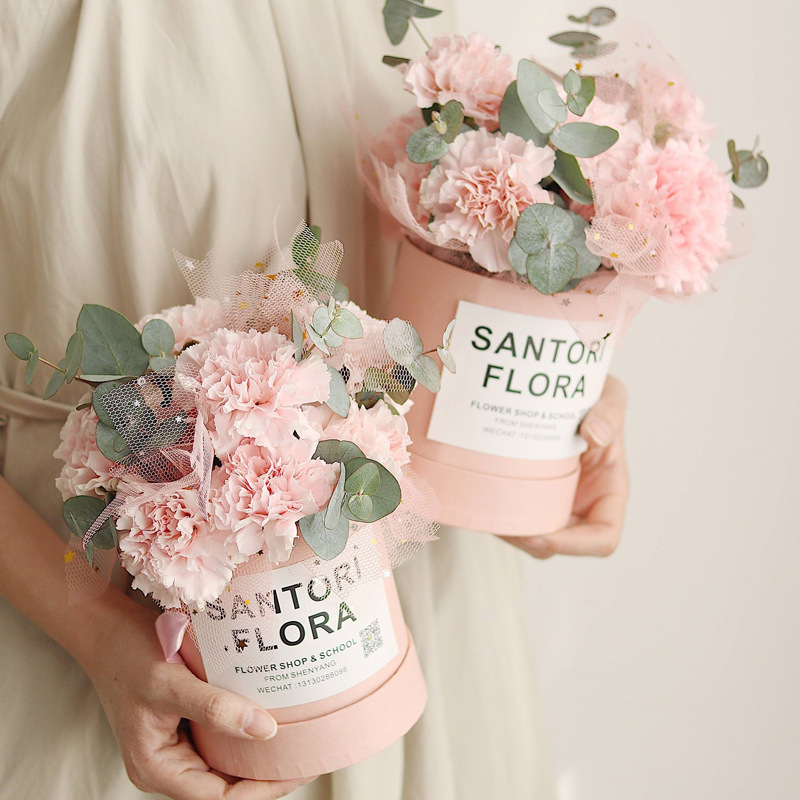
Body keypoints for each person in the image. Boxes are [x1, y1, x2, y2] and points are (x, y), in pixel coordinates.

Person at [0, 3, 629, 799]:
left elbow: (452, 265)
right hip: (117, 638)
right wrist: (98, 637)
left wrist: (557, 403)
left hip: (418, 586)